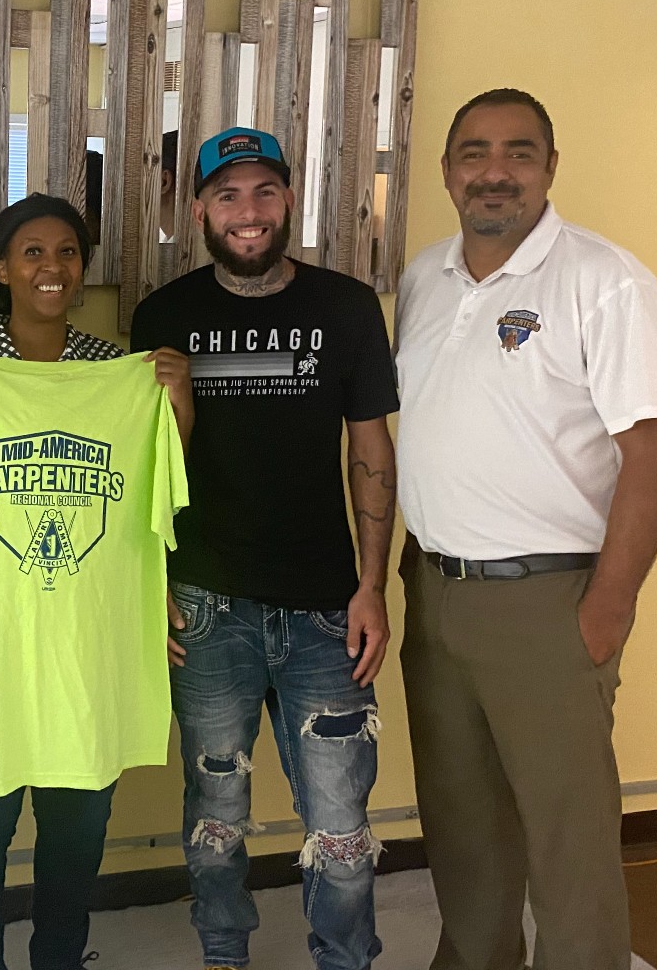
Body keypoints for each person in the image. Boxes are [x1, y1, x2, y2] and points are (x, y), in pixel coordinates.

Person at [393, 88, 657, 970]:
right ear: (447, 172)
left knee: (568, 840)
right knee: (464, 827)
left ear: (550, 168)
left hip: (549, 602)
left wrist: (611, 605)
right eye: (475, 153)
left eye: (520, 152)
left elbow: (656, 445)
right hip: (436, 595)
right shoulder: (424, 278)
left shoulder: (605, 280)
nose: (495, 171)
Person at [0, 192, 193, 970]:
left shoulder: (116, 374)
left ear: (81, 270)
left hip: (81, 621)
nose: (51, 266)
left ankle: (60, 958)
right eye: (32, 252)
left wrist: (176, 405)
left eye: (66, 252)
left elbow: (153, 491)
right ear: (0, 269)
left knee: (80, 810)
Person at [130, 127, 398, 970]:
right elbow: (140, 467)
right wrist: (151, 583)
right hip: (207, 604)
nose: (248, 213)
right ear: (200, 209)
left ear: (288, 201)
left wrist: (373, 586)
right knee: (214, 817)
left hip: (326, 606)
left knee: (343, 827)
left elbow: (371, 452)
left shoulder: (347, 308)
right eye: (228, 195)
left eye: (264, 193)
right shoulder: (163, 316)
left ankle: (345, 960)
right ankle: (223, 955)